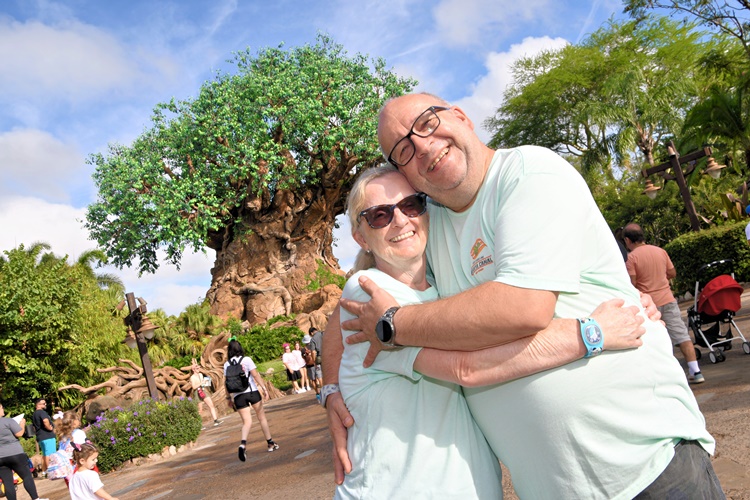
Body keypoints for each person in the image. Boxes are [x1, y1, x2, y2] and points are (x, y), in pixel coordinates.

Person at [326, 93, 720, 499]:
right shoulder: (427, 221)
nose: (423, 146)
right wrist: (335, 391)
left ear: (461, 117)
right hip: (553, 488)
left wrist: (392, 325)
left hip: (645, 463)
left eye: (427, 123)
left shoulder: (528, 173)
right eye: (403, 150)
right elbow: (349, 312)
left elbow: (523, 308)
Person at [333, 166, 645, 498]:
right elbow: (467, 368)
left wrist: (628, 297)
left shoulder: (443, 288)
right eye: (380, 215)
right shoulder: (369, 293)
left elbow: (518, 300)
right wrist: (591, 333)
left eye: (411, 205)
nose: (400, 220)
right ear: (361, 237)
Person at [623, 222, 705, 384]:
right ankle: (695, 371)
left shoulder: (631, 258)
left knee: (655, 340)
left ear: (627, 240)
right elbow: (672, 273)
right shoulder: (660, 251)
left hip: (648, 306)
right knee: (681, 336)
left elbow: (632, 283)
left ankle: (666, 377)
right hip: (668, 299)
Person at [224, 338, 279, 461]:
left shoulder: (227, 364)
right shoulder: (246, 360)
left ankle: (243, 444)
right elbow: (255, 375)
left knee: (246, 422)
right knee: (261, 418)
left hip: (238, 396)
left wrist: (228, 398)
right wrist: (264, 388)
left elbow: (226, 383)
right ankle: (270, 443)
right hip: (252, 392)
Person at [0, 402, 47, 500]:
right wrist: (22, 424)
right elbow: (19, 433)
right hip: (15, 453)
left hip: (0, 457)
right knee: (26, 476)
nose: (3, 409)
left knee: (7, 482)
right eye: (1, 407)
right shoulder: (8, 421)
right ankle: (35, 498)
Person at [190, 360, 222, 427]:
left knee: (211, 405)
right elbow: (193, 387)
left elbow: (203, 384)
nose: (198, 369)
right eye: (197, 368)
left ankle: (215, 420)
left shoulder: (201, 375)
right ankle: (199, 424)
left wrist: (206, 382)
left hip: (203, 390)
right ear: (193, 370)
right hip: (197, 392)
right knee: (200, 410)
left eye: (198, 368)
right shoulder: (192, 377)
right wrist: (200, 383)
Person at [31, 399, 55, 478]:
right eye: (44, 403)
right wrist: (50, 428)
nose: (45, 404)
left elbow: (34, 427)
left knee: (44, 455)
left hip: (40, 437)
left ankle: (44, 472)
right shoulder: (42, 412)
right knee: (50, 454)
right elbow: (45, 421)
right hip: (47, 436)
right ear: (38, 405)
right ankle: (51, 472)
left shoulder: (34, 414)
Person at [307, 327, 324, 402]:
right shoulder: (323, 334)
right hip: (328, 355)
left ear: (311, 333)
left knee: (319, 375)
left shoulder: (313, 339)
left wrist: (314, 361)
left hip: (320, 357)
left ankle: (324, 391)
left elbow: (313, 352)